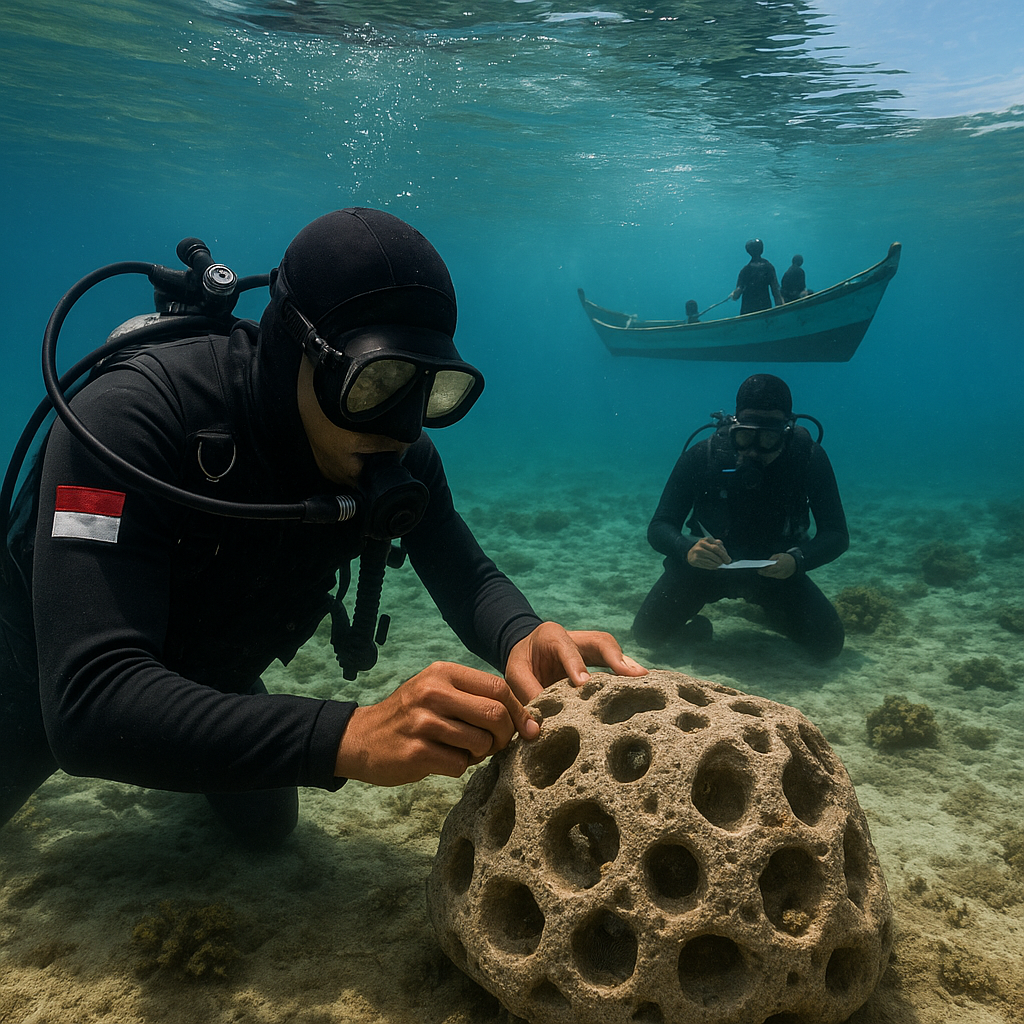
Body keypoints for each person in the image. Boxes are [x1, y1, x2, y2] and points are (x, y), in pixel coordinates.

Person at [0, 207, 646, 841]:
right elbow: (89, 702)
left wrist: (522, 636)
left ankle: (178, 721)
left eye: (430, 390)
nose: (402, 425)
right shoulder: (126, 419)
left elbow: (465, 572)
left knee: (267, 832)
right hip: (45, 667)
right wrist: (351, 734)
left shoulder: (396, 452)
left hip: (213, 667)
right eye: (374, 383)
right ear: (294, 349)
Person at [632, 373, 848, 661]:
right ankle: (700, 630)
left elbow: (836, 534)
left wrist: (797, 561)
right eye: (745, 436)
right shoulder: (703, 455)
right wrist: (687, 550)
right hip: (704, 571)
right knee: (646, 636)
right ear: (732, 426)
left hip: (776, 574)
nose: (754, 450)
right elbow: (660, 526)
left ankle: (773, 615)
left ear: (787, 430)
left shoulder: (807, 458)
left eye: (769, 438)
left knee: (828, 645)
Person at [730, 238, 782, 314]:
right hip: (764, 308)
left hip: (747, 311)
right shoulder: (768, 267)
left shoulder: (745, 270)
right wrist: (780, 308)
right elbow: (775, 290)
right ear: (762, 249)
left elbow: (737, 294)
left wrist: (734, 294)